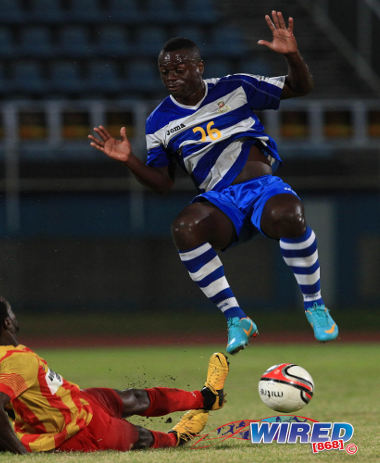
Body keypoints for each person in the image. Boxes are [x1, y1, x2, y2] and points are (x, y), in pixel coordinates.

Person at [88, 11, 339, 354]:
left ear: (199, 66)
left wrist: (291, 55)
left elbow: (300, 87)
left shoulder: (235, 87)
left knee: (290, 214)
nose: (172, 77)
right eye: (165, 72)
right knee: (184, 227)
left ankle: (314, 305)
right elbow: (162, 183)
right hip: (221, 202)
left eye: (179, 69)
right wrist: (129, 160)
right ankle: (236, 318)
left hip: (261, 189)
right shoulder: (158, 121)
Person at [0, 294, 230, 453]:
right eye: (11, 311)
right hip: (77, 430)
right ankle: (176, 439)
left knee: (131, 397)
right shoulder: (19, 362)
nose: (15, 315)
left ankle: (207, 398)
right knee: (139, 437)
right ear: (7, 322)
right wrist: (17, 454)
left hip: (76, 401)